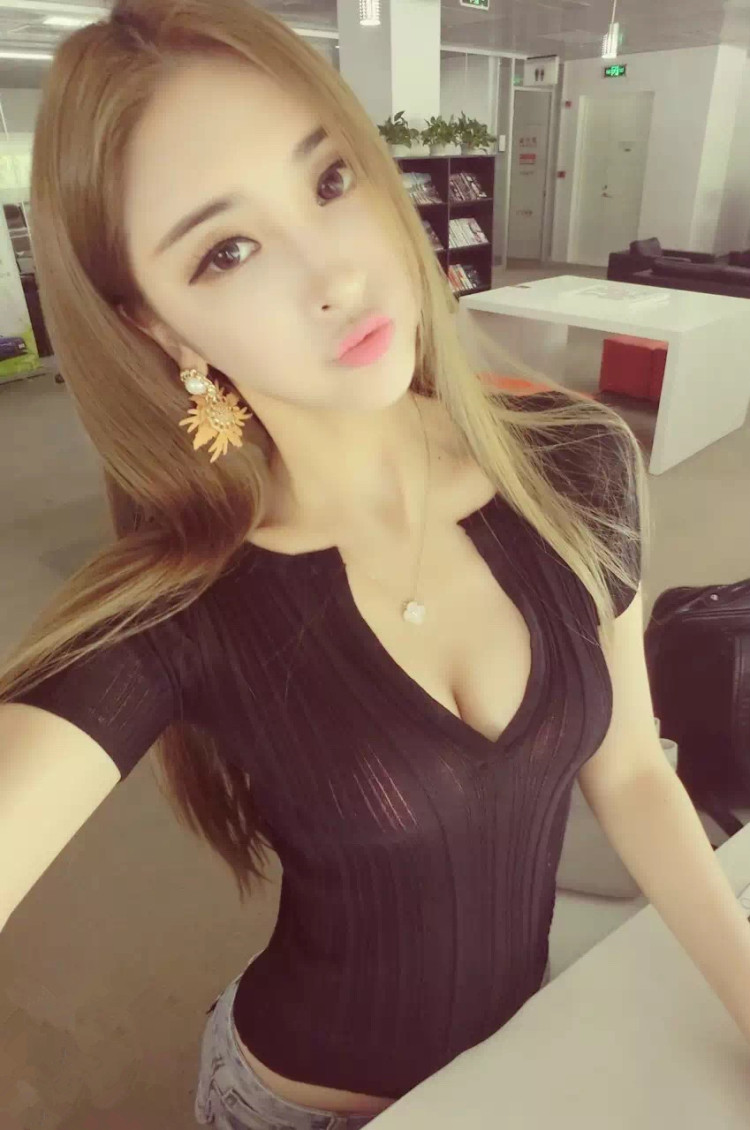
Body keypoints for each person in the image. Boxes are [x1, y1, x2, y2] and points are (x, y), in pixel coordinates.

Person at [0, 1, 647, 1127]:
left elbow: (632, 774)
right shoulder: (183, 607)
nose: (335, 273)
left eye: (331, 179)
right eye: (228, 249)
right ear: (161, 329)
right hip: (291, 1102)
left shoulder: (582, 462)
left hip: (509, 1078)